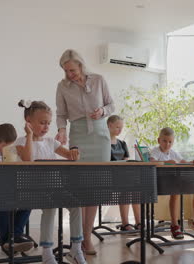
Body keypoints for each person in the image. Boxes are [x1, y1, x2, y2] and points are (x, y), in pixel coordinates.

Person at [55, 49, 114, 254]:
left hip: (100, 136)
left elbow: (111, 105)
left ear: (81, 65)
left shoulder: (99, 79)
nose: (69, 74)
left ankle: (86, 238)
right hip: (78, 135)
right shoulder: (62, 87)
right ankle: (76, 239)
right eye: (66, 70)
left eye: (72, 69)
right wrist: (62, 131)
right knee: (79, 189)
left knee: (95, 191)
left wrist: (102, 111)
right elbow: (61, 114)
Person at [15, 100, 85, 264]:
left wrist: (74, 151)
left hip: (53, 187)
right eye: (42, 123)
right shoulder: (21, 142)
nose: (46, 127)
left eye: (48, 123)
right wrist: (30, 136)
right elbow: (27, 159)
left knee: (76, 204)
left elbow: (69, 155)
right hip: (31, 189)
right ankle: (47, 252)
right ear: (29, 123)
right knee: (51, 205)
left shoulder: (51, 142)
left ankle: (76, 248)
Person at [0, 123, 34, 254]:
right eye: (4, 146)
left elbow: (25, 162)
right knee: (4, 206)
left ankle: (15, 236)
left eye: (10, 145)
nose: (7, 149)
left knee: (28, 202)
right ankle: (6, 241)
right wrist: (5, 162)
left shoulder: (15, 148)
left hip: (11, 188)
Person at [149, 127, 194, 239]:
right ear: (159, 140)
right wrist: (166, 162)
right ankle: (174, 225)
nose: (167, 144)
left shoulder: (173, 152)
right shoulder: (156, 151)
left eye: (170, 142)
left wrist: (191, 162)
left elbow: (183, 162)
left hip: (173, 181)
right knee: (176, 192)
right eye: (164, 141)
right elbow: (151, 161)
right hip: (159, 182)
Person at [107, 115, 140, 231]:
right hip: (109, 176)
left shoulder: (122, 143)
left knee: (136, 187)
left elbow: (127, 162)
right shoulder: (103, 143)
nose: (120, 130)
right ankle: (125, 223)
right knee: (127, 188)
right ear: (109, 126)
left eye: (121, 127)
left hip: (123, 174)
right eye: (117, 127)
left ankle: (139, 222)